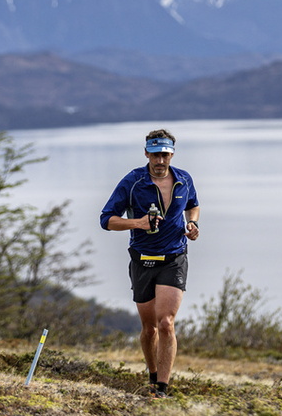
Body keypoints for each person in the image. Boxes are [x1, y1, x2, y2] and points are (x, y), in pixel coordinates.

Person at [100, 129, 200, 398]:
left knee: (166, 323)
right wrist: (138, 223)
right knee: (149, 328)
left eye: (165, 155)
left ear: (172, 154)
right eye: (155, 155)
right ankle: (153, 374)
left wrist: (193, 223)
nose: (160, 160)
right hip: (142, 260)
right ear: (146, 153)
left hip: (174, 258)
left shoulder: (184, 179)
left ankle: (162, 388)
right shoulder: (133, 182)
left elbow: (193, 205)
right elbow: (106, 220)